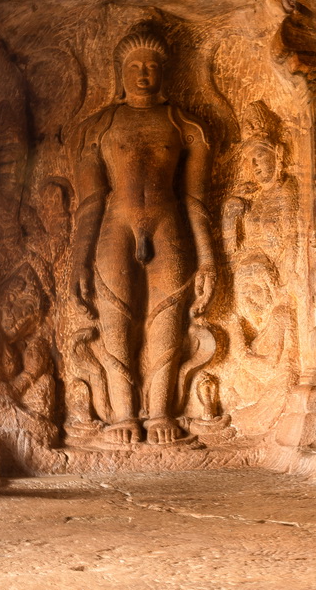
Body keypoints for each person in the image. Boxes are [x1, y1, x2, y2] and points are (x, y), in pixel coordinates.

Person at [70, 24, 214, 446]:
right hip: (116, 224)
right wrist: (79, 260)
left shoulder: (185, 126)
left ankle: (161, 414)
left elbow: (196, 199)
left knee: (167, 317)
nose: (144, 74)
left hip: (171, 224)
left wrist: (207, 259)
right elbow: (90, 202)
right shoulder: (97, 128)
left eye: (152, 66)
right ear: (121, 73)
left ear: (164, 73)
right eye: (135, 66)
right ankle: (124, 416)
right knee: (115, 318)